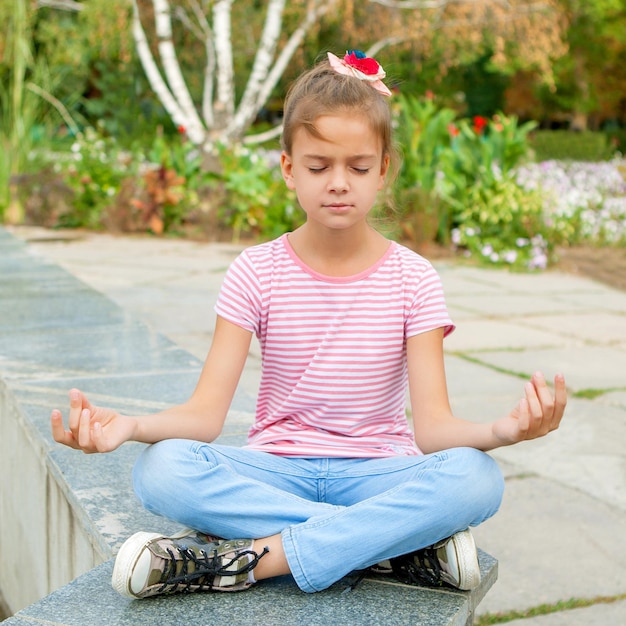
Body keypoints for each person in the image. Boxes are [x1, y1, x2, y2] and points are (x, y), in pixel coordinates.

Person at [50, 50, 567, 600]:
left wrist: (503, 433)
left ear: (384, 168)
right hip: (277, 468)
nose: (339, 183)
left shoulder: (414, 278)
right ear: (289, 169)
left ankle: (246, 560)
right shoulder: (256, 270)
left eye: (359, 167)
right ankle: (388, 547)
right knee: (160, 470)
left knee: (478, 479)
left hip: (377, 473)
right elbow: (203, 418)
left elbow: (434, 431)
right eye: (319, 167)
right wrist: (129, 426)